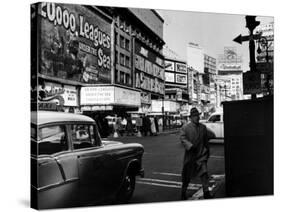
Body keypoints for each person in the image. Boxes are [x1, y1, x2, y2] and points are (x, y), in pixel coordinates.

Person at [180, 107, 215, 200]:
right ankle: (183, 193)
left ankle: (206, 192)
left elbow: (211, 136)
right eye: (194, 116)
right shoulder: (185, 128)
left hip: (201, 155)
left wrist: (207, 151)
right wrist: (190, 146)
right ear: (191, 117)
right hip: (190, 156)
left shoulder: (203, 127)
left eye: (197, 116)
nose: (197, 118)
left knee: (204, 174)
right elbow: (183, 138)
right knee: (186, 176)